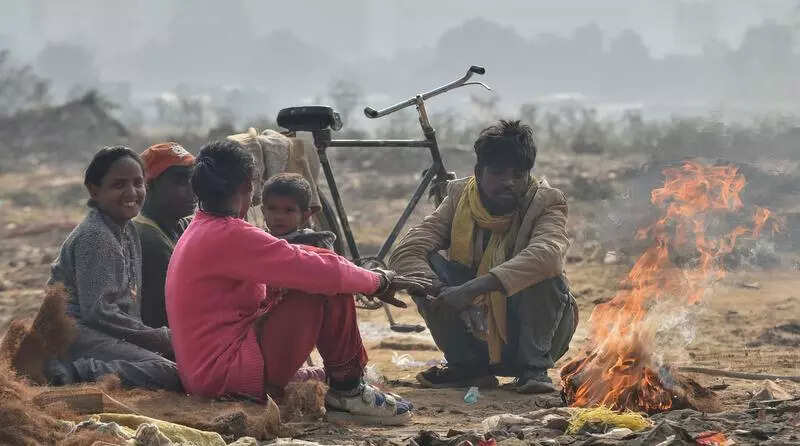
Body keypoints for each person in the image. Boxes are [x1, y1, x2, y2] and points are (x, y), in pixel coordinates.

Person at [165, 140, 428, 425]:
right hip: (227, 376)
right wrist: (377, 282)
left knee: (319, 266)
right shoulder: (228, 234)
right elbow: (322, 271)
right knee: (324, 284)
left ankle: (344, 383)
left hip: (210, 372)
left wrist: (365, 277)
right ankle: (348, 389)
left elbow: (303, 257)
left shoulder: (201, 227)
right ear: (247, 187)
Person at [388, 120, 578, 394]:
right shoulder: (458, 196)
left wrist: (471, 289)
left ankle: (533, 370)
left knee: (545, 273)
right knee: (422, 273)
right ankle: (468, 369)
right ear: (478, 172)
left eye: (518, 174)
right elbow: (408, 250)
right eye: (498, 172)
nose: (508, 182)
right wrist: (443, 291)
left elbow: (547, 256)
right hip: (472, 325)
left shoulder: (547, 202)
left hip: (537, 336)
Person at [45, 146, 181, 390]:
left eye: (138, 183)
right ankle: (73, 371)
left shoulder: (127, 229)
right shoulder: (97, 236)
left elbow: (129, 307)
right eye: (119, 185)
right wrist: (160, 337)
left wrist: (155, 340)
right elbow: (99, 313)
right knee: (170, 372)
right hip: (75, 333)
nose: (132, 192)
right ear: (94, 191)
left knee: (172, 361)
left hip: (101, 332)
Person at [134, 142, 196, 329]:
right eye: (180, 181)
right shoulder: (149, 240)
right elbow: (160, 318)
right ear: (149, 186)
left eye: (193, 179)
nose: (192, 189)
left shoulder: (179, 225)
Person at [261, 172, 335, 250]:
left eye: (289, 210)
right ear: (263, 212)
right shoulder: (259, 241)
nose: (279, 217)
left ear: (305, 216)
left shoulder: (315, 244)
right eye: (272, 209)